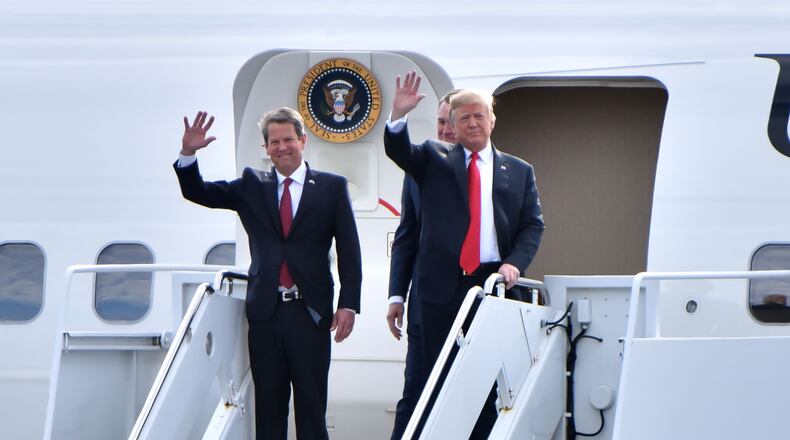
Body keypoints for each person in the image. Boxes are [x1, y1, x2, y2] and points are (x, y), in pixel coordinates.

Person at [174, 108, 362, 439]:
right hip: (266, 314)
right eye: (274, 142)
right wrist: (188, 153)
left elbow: (349, 249)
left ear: (303, 141)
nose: (282, 147)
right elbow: (198, 192)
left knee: (311, 409)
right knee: (269, 410)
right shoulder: (252, 185)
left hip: (311, 313)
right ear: (266, 148)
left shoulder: (331, 187)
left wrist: (349, 303)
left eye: (288, 139)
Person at [383, 72, 545, 438]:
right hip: (437, 290)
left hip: (491, 287)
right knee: (424, 384)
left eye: (479, 116)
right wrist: (397, 117)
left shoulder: (519, 171)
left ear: (492, 120)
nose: (472, 123)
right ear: (453, 126)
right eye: (464, 118)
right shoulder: (433, 159)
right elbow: (400, 152)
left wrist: (514, 263)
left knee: (487, 387)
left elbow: (533, 226)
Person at [386, 89, 460, 440]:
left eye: (452, 122)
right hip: (425, 303)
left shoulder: (496, 171)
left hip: (473, 301)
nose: (445, 130)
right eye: (441, 121)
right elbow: (407, 235)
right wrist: (396, 296)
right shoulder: (421, 164)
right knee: (415, 392)